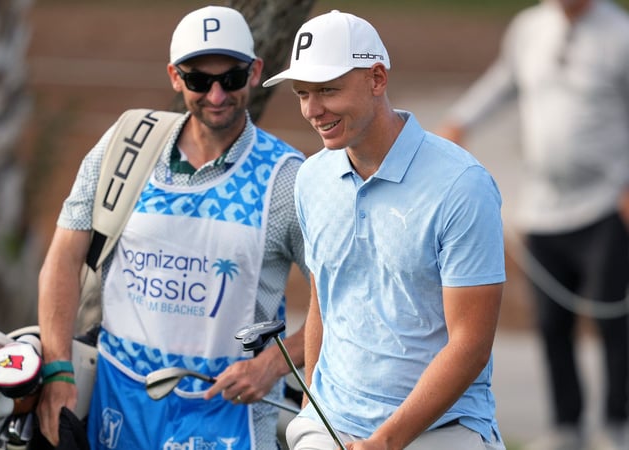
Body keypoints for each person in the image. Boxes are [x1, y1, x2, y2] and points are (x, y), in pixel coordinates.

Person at [34, 5, 309, 450]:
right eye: (200, 80)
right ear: (175, 77)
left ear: (256, 72)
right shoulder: (125, 146)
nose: (217, 95)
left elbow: (341, 301)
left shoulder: (287, 178)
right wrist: (57, 369)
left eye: (232, 78)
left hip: (231, 419)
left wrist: (272, 366)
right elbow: (63, 259)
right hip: (118, 409)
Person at [261, 10, 507, 450]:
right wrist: (312, 407)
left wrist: (387, 441)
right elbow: (325, 297)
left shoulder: (462, 185)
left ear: (376, 78)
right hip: (330, 424)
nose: (313, 110)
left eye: (328, 90)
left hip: (442, 431)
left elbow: (471, 344)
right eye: (302, 93)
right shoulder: (311, 177)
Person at [436, 1, 629, 448]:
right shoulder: (529, 27)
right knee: (551, 322)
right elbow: (504, 82)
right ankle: (567, 425)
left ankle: (616, 422)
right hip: (542, 207)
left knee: (610, 320)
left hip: (605, 204)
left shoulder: (620, 33)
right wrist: (460, 121)